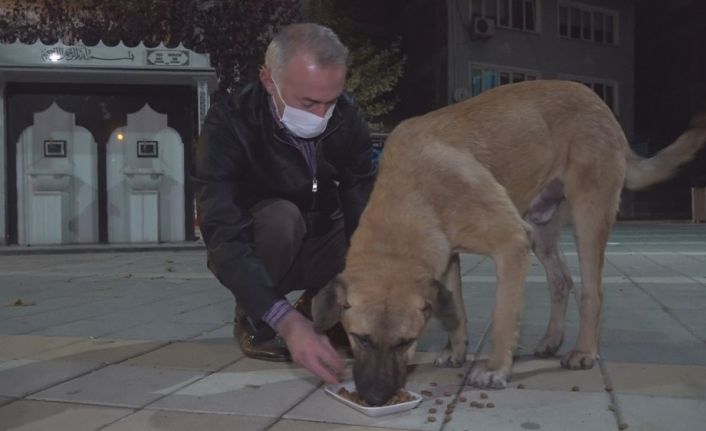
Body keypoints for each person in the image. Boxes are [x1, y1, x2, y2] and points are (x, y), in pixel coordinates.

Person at [192, 23, 376, 384]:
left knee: (372, 233)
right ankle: (257, 314)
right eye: (307, 102)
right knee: (281, 217)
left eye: (331, 100)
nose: (322, 115)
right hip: (262, 246)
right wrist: (286, 323)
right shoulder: (229, 123)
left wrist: (373, 290)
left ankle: (320, 308)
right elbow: (222, 230)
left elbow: (361, 195)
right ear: (267, 80)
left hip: (321, 240)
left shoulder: (347, 115)